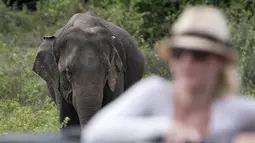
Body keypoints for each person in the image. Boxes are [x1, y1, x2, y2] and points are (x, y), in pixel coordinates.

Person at [81, 5, 255, 143]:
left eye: (199, 54)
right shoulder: (153, 92)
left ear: (220, 62)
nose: (187, 62)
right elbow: (95, 132)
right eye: (179, 53)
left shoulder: (236, 111)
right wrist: (163, 128)